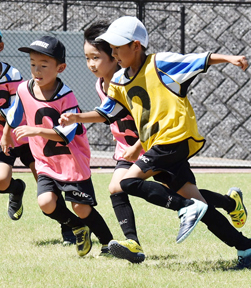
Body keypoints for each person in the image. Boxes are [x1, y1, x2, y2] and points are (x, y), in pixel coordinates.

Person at [60, 16, 251, 268]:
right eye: (110, 48)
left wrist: (230, 59)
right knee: (201, 206)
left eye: (117, 47)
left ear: (136, 45)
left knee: (127, 183)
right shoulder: (120, 81)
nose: (113, 53)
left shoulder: (161, 62)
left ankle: (183, 207)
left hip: (174, 139)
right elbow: (106, 112)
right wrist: (77, 117)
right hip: (160, 146)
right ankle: (247, 247)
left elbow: (199, 59)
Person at [0, 22, 75, 244]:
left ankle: (68, 227)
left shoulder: (13, 75)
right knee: (0, 182)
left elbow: (17, 112)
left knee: (44, 183)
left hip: (25, 138)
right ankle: (17, 188)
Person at [0, 35, 114, 256]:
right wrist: (6, 135)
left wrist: (35, 130)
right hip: (45, 162)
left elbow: (64, 135)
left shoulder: (67, 96)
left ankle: (108, 243)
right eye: (33, 64)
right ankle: (77, 227)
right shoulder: (24, 89)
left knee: (81, 207)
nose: (37, 70)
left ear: (60, 67)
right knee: (46, 203)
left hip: (72, 164)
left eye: (43, 65)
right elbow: (14, 115)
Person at [83, 21, 145, 263]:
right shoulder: (100, 85)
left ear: (114, 55)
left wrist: (138, 145)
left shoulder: (128, 82)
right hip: (125, 151)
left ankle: (228, 202)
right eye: (87, 58)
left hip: (150, 146)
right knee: (116, 188)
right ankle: (133, 244)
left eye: (96, 57)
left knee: (186, 195)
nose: (91, 64)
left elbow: (149, 120)